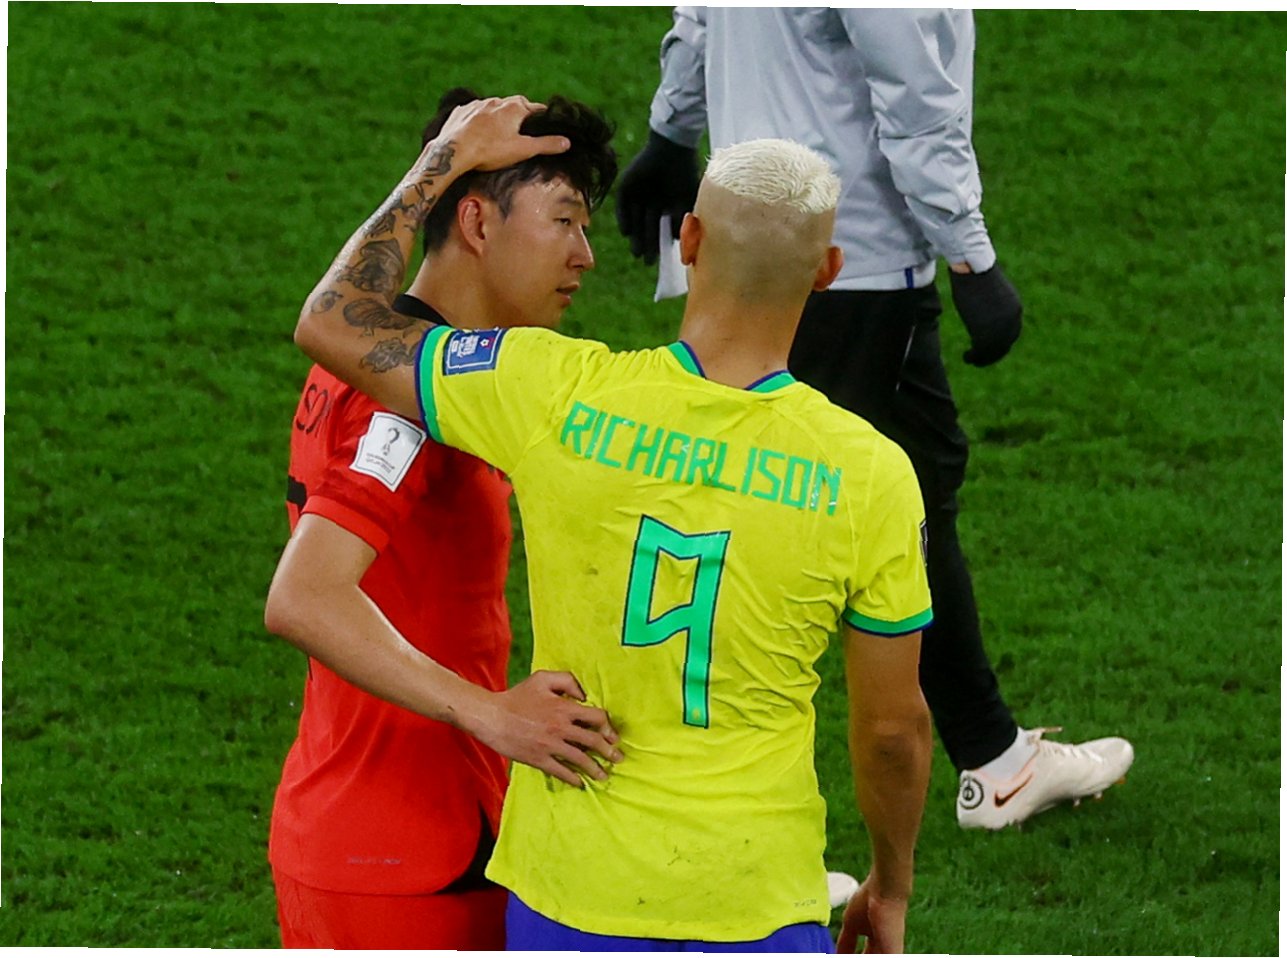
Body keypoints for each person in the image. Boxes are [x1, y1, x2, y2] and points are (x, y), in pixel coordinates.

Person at [294, 95, 933, 953]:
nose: (582, 254)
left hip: (564, 893)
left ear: (689, 241)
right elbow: (891, 732)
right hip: (745, 896)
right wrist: (890, 884)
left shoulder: (550, 393)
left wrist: (439, 161)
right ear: (827, 271)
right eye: (565, 222)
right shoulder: (870, 474)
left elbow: (332, 320)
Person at [614, 7, 1134, 830]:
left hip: (740, 244)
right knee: (887, 510)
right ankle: (982, 765)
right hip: (850, 259)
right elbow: (913, 95)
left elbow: (702, 18)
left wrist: (671, 132)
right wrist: (971, 255)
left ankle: (987, 754)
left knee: (738, 496)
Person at [261, 89, 622, 949]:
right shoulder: (405, 403)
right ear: (477, 222)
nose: (585, 255)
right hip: (401, 858)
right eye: (564, 221)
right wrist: (491, 713)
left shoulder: (389, 355)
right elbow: (303, 597)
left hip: (375, 827)